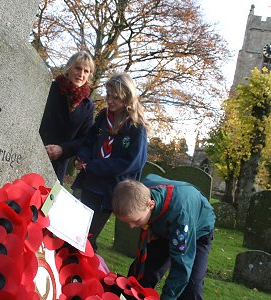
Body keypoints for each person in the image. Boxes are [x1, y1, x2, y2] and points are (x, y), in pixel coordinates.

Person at [71, 72, 149, 251]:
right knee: (74, 231)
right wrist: (82, 157)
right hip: (88, 184)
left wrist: (94, 166)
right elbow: (89, 141)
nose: (110, 101)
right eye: (108, 95)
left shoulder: (136, 127)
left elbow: (131, 162)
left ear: (128, 98)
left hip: (108, 192)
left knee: (87, 238)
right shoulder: (103, 117)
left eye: (116, 97)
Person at [112, 174, 215, 300]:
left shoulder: (181, 218)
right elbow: (152, 177)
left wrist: (167, 297)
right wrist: (149, 226)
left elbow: (181, 267)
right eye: (128, 222)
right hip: (162, 224)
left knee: (192, 287)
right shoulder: (140, 192)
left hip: (197, 232)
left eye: (136, 221)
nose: (131, 226)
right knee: (144, 273)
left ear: (150, 204)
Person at [39, 51, 95, 184]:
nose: (81, 74)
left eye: (86, 71)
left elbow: (85, 138)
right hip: (34, 150)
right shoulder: (50, 89)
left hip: (57, 165)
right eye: (78, 68)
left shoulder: (88, 106)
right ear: (69, 68)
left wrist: (62, 149)